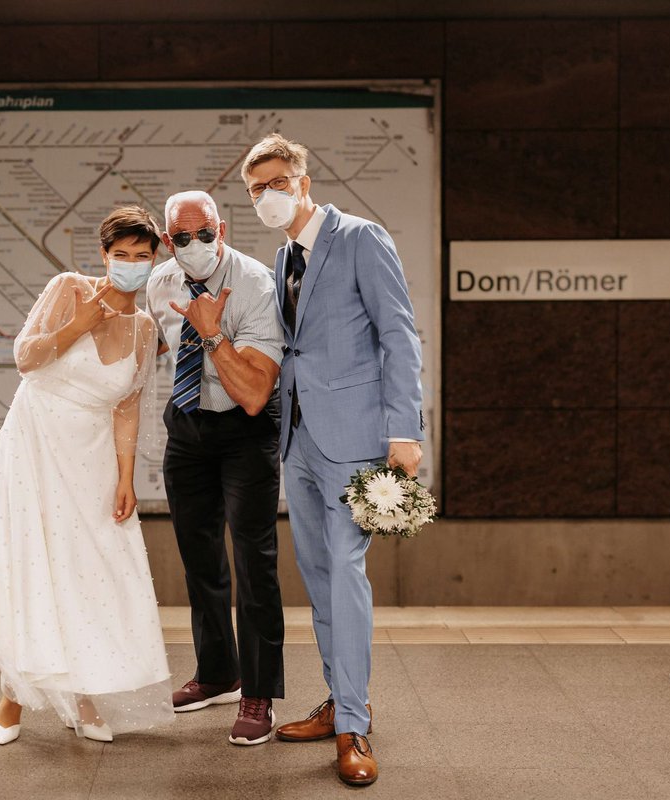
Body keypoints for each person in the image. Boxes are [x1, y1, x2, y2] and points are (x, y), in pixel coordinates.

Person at [241, 134, 424, 786]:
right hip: (299, 442)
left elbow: (398, 333)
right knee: (318, 578)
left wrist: (405, 429)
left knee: (345, 575)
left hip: (354, 436)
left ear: (303, 179)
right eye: (255, 189)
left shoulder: (359, 238)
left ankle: (353, 726)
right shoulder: (283, 254)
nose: (267, 196)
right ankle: (341, 698)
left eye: (276, 182)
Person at [0, 205, 173, 745]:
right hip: (35, 447)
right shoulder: (69, 289)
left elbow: (127, 407)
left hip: (92, 459)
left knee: (94, 571)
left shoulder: (144, 328)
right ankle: (13, 698)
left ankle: (84, 695)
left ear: (154, 260)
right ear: (104, 257)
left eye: (141, 256)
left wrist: (126, 477)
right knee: (37, 566)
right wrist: (78, 325)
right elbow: (25, 357)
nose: (131, 265)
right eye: (121, 256)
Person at [145, 190, 286, 746]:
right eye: (182, 238)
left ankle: (258, 693)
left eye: (205, 233)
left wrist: (211, 332)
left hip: (243, 432)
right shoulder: (160, 283)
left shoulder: (253, 284)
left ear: (221, 228)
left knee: (254, 562)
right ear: (167, 241)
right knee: (200, 560)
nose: (196, 245)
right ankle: (217, 673)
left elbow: (254, 393)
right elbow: (147, 346)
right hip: (186, 429)